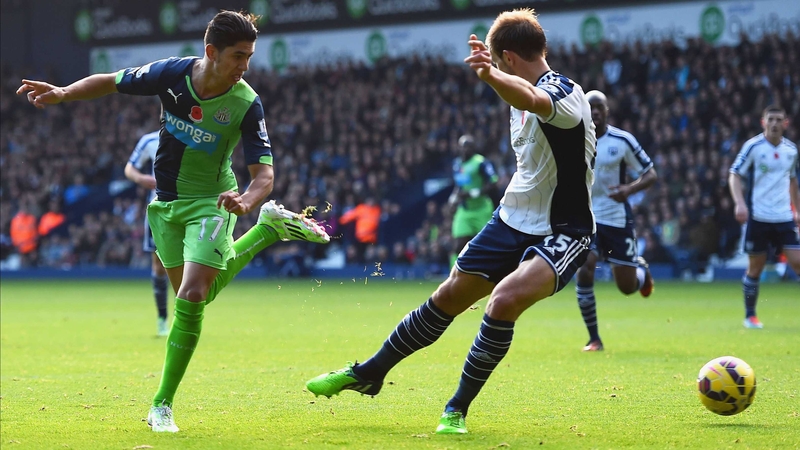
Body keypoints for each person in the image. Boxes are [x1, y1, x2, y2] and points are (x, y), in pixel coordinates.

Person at [17, 10, 331, 433]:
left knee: (193, 293)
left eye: (250, 57)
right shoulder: (170, 75)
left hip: (212, 202)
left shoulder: (245, 103)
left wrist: (246, 201)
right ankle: (268, 230)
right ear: (211, 52)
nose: (245, 66)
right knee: (198, 292)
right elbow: (110, 81)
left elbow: (265, 175)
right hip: (165, 206)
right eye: (238, 56)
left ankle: (161, 404)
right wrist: (62, 92)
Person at [306, 8, 596, 435]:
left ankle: (455, 409)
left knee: (503, 301)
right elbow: (522, 98)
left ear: (508, 58)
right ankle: (369, 372)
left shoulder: (567, 93)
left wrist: (491, 77)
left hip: (563, 229)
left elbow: (535, 99)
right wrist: (497, 76)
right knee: (448, 297)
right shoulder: (515, 87)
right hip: (511, 219)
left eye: (498, 63)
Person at [574, 90, 657, 352]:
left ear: (607, 111)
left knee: (626, 287)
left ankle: (641, 273)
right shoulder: (573, 140)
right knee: (585, 268)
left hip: (618, 220)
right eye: (591, 108)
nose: (595, 112)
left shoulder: (622, 141)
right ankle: (594, 338)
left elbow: (650, 174)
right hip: (587, 221)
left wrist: (628, 190)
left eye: (600, 108)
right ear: (584, 111)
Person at [728, 105, 800, 329]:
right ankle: (750, 316)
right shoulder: (753, 147)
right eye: (771, 119)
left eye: (779, 119)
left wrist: (796, 209)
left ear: (786, 123)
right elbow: (734, 174)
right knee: (756, 268)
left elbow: (793, 180)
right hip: (758, 217)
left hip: (784, 216)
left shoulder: (791, 150)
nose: (775, 124)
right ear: (763, 122)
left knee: (798, 263)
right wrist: (739, 203)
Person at [124, 130, 170, 337]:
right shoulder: (150, 140)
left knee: (190, 262)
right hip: (158, 209)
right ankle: (162, 319)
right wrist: (141, 178)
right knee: (159, 265)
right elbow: (129, 168)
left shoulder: (193, 134)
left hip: (189, 206)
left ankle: (188, 316)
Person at [447, 134, 499, 265]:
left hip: (482, 209)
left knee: (487, 245)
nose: (465, 150)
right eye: (462, 147)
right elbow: (459, 185)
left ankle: (491, 271)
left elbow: (493, 182)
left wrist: (473, 193)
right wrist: (453, 198)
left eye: (468, 147)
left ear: (473, 148)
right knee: (458, 245)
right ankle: (453, 276)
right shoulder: (457, 164)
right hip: (465, 210)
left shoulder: (481, 162)